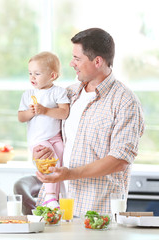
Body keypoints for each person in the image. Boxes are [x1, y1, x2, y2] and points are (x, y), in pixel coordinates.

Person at [35, 28, 145, 216]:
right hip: (55, 207)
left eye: (77, 59)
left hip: (96, 211)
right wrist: (43, 153)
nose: (71, 63)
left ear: (97, 61)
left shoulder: (125, 101)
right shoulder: (68, 94)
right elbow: (56, 139)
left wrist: (70, 173)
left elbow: (119, 160)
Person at [18, 52, 70, 209]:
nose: (32, 77)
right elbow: (21, 117)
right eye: (30, 73)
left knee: (62, 160)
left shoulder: (58, 92)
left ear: (52, 75)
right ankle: (50, 197)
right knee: (48, 161)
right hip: (39, 139)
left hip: (55, 137)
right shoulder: (28, 95)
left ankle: (61, 195)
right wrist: (32, 112)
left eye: (37, 74)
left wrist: (45, 110)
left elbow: (64, 113)